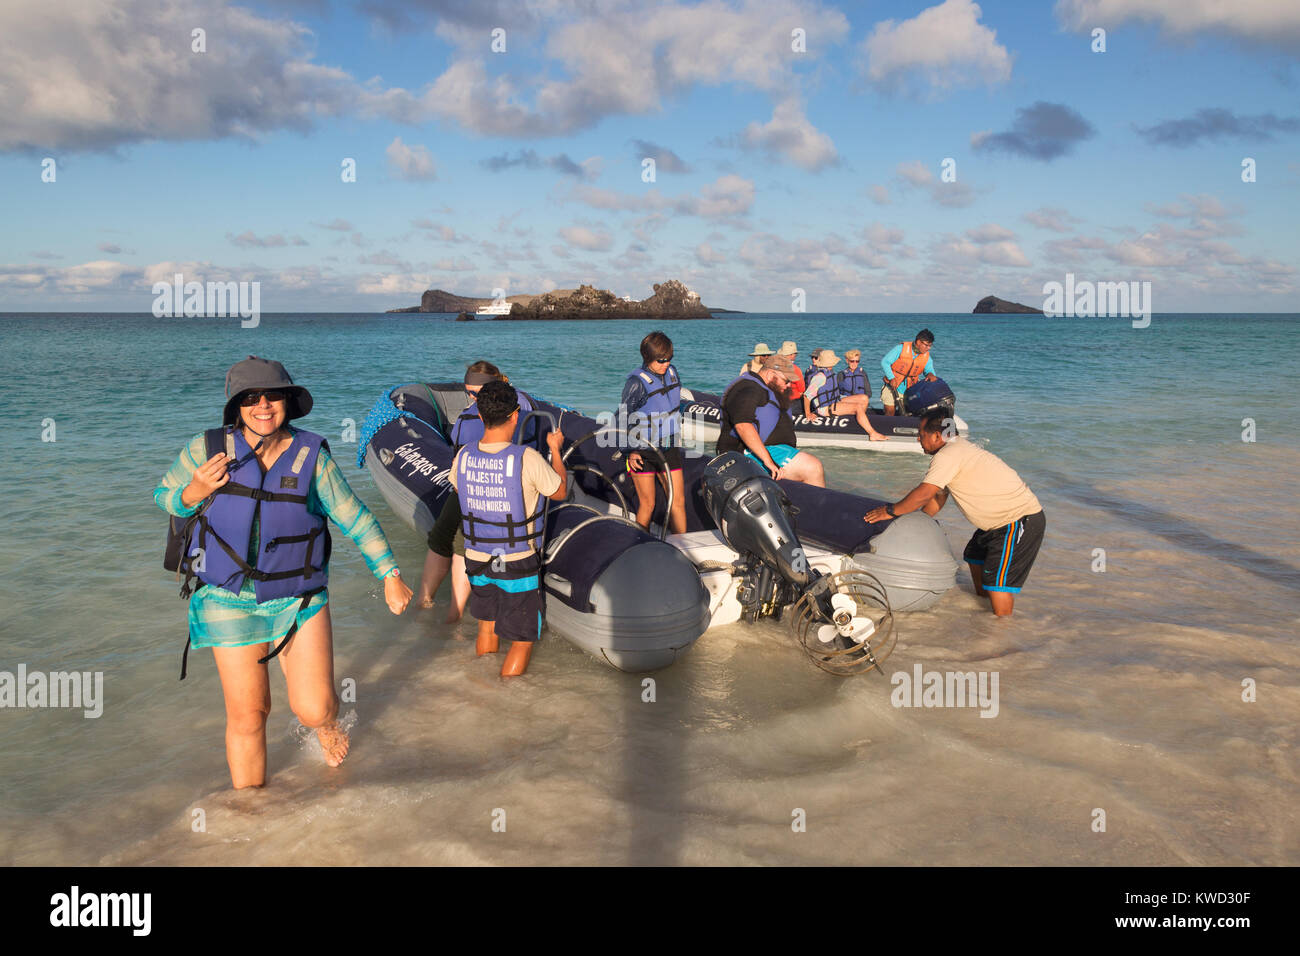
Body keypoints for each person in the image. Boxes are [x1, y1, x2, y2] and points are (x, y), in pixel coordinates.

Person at [154, 356, 412, 788]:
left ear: (288, 402)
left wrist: (389, 572)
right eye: (250, 397)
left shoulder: (312, 457)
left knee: (313, 707)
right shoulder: (205, 449)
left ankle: (326, 726)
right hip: (225, 599)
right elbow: (165, 497)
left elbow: (354, 517)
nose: (263, 405)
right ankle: (252, 809)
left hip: (299, 597)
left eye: (272, 395)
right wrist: (193, 491)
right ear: (237, 405)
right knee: (249, 714)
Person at [864, 409, 1045, 616]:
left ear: (937, 436)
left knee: (997, 582)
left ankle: (1001, 631)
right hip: (997, 523)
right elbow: (937, 498)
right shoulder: (954, 450)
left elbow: (924, 494)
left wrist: (890, 512)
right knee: (974, 556)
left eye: (921, 434)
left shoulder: (949, 454)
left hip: (1018, 520)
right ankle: (982, 610)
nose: (918, 439)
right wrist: (914, 523)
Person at [452, 380, 568, 676]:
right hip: (516, 561)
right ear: (515, 415)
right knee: (522, 639)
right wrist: (555, 450)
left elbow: (459, 488)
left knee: (486, 629)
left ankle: (483, 690)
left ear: (479, 415)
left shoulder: (463, 456)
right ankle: (506, 699)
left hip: (477, 558)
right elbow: (559, 491)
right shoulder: (526, 458)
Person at [416, 360, 515, 619]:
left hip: (487, 489)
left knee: (459, 539)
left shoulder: (489, 415)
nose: (471, 398)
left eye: (476, 394)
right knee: (442, 536)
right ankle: (428, 602)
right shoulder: (473, 415)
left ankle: (453, 613)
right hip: (476, 487)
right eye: (468, 392)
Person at [716, 354, 825, 486]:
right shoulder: (749, 389)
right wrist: (768, 461)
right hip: (743, 454)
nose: (789, 385)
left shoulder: (767, 387)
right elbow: (742, 425)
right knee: (813, 468)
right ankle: (819, 505)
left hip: (773, 448)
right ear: (770, 374)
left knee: (809, 465)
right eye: (786, 381)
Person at [622, 331, 688, 534]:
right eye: (661, 360)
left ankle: (683, 548)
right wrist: (630, 451)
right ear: (648, 358)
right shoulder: (636, 383)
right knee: (648, 503)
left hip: (669, 446)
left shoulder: (672, 372)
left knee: (678, 500)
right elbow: (623, 418)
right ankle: (640, 545)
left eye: (669, 358)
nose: (666, 363)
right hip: (643, 450)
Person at [802, 349, 889, 441]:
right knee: (857, 407)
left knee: (863, 398)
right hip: (825, 408)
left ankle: (860, 420)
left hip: (834, 400)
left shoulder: (829, 372)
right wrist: (808, 413)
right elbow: (807, 395)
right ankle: (872, 433)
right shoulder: (820, 377)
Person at [879, 329, 937, 415]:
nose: (929, 348)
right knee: (890, 411)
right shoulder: (900, 348)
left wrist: (931, 375)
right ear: (918, 342)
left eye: (930, 346)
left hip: (911, 388)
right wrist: (891, 378)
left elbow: (929, 371)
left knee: (910, 413)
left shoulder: (927, 357)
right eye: (926, 345)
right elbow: (885, 362)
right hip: (891, 386)